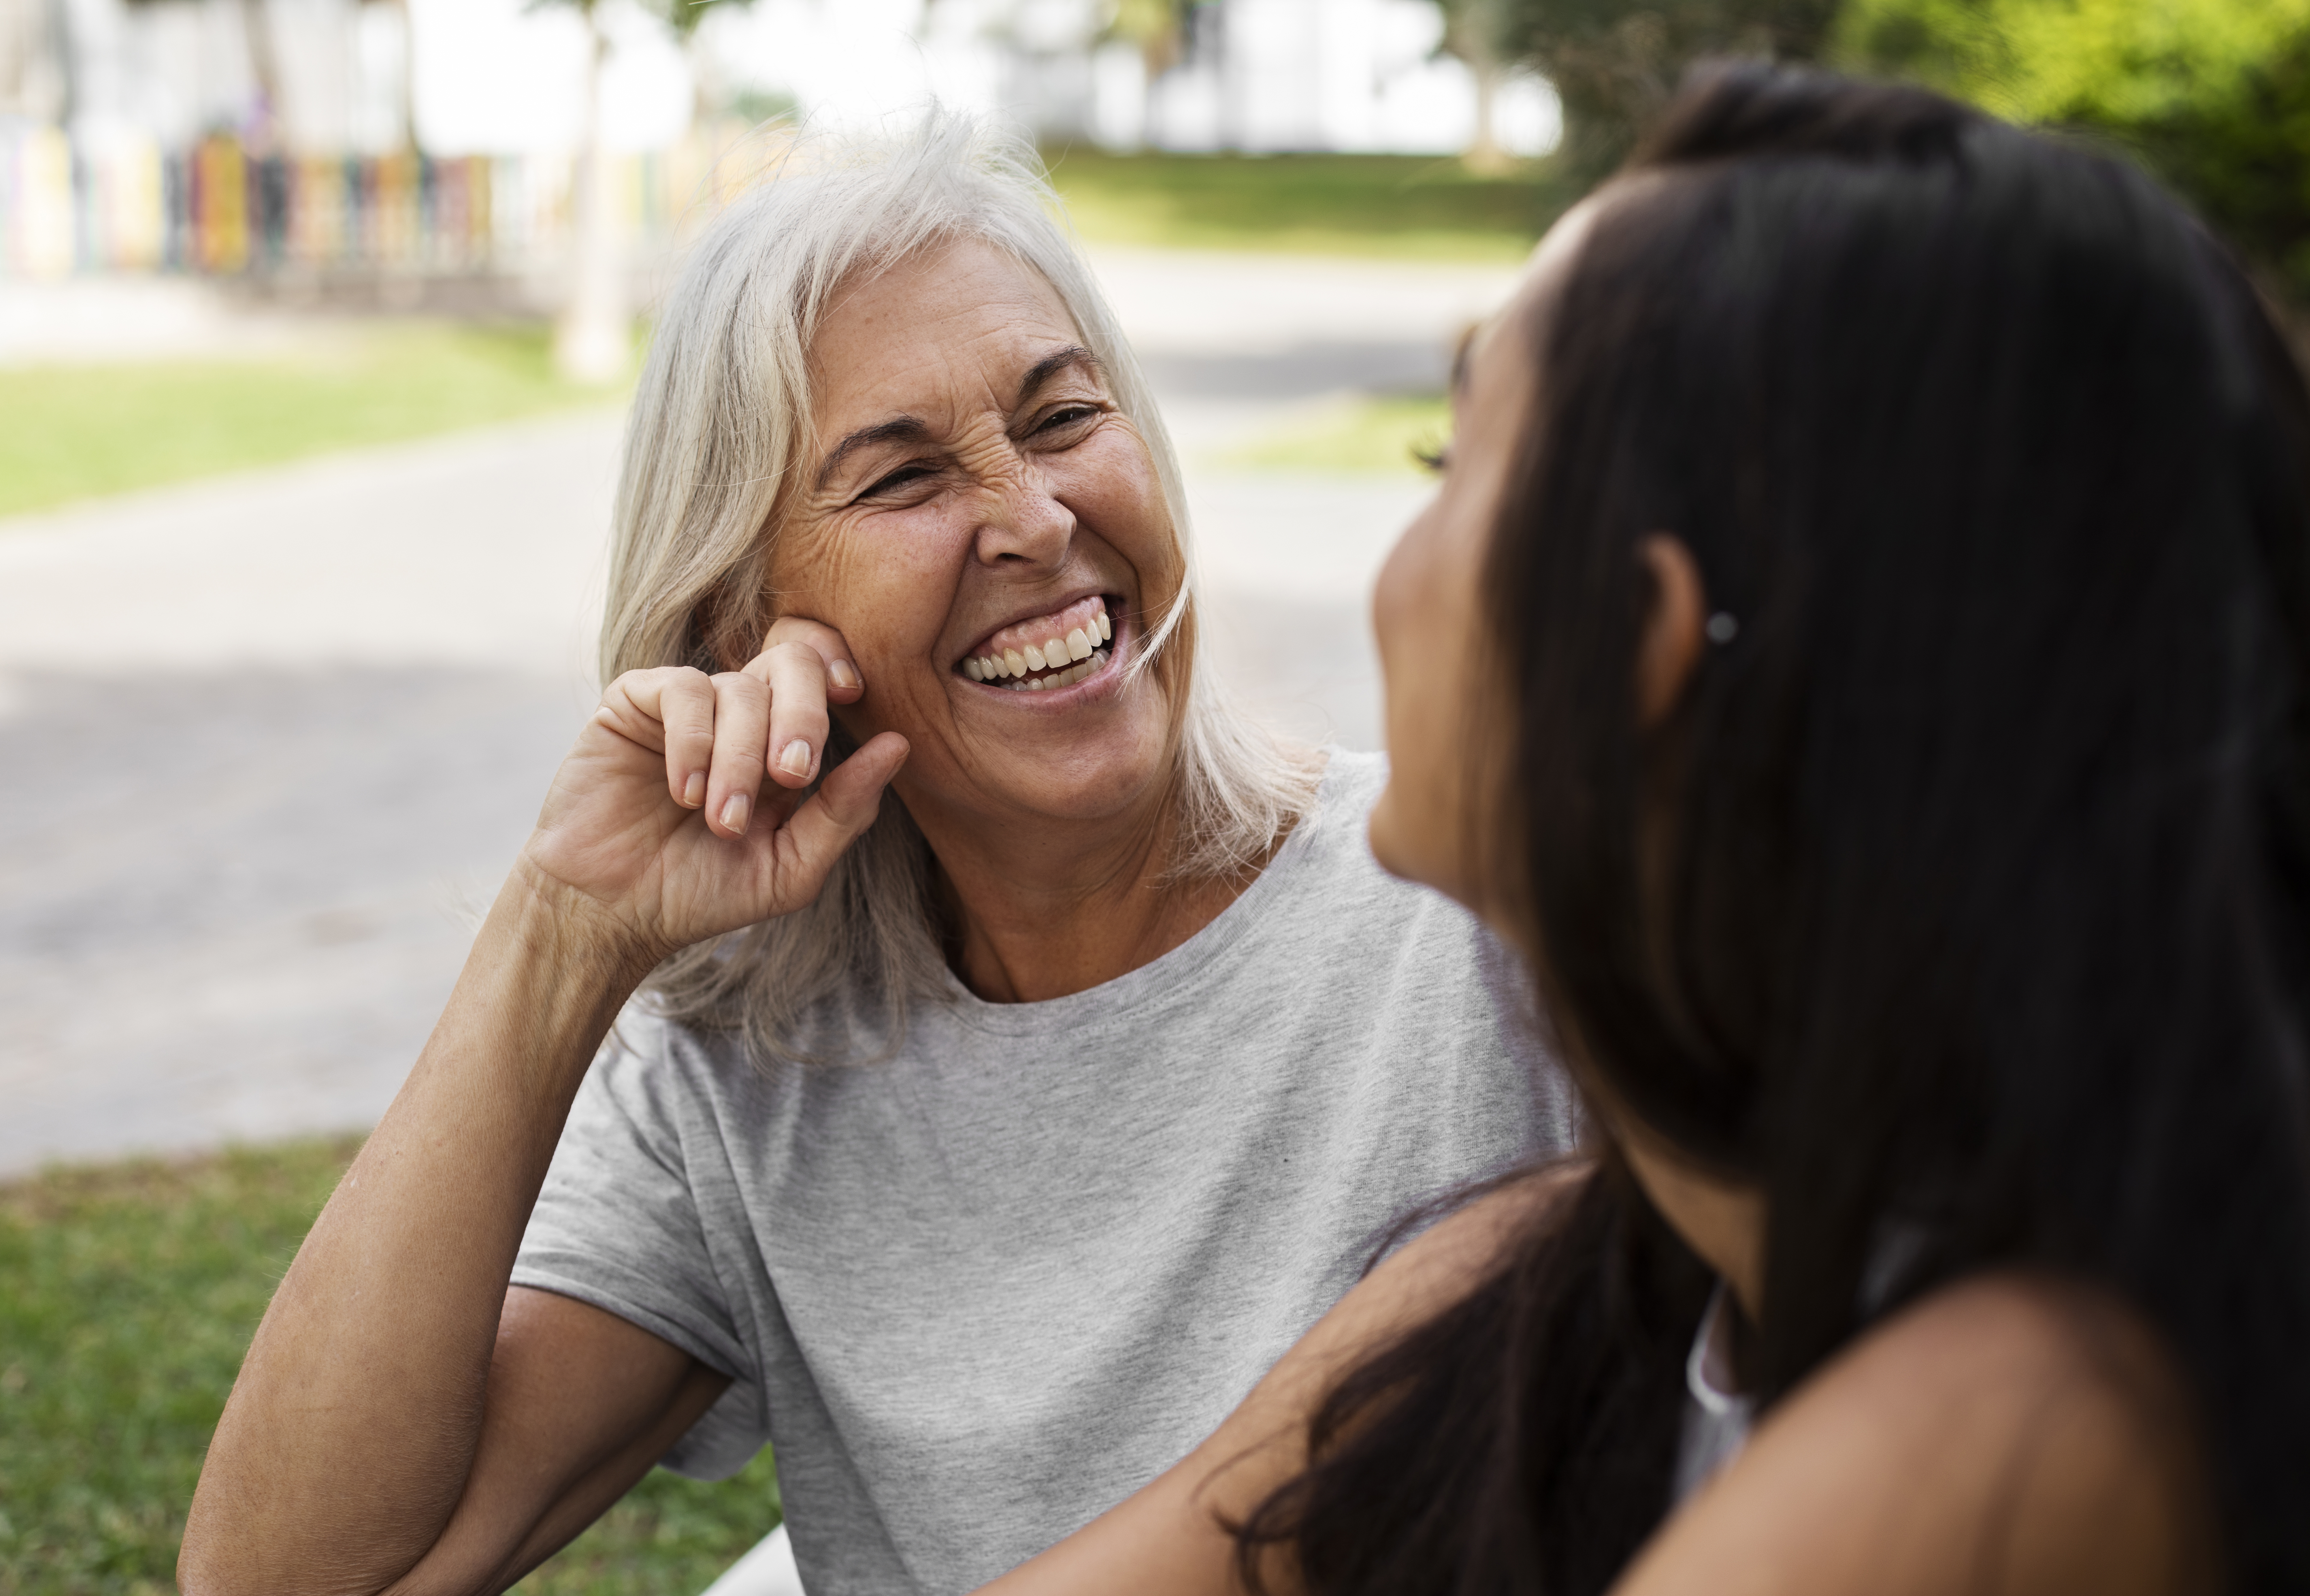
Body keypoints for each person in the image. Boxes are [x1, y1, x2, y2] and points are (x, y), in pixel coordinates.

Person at [174, 119, 1577, 1596]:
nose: (1036, 523)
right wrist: (562, 939)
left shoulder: (1483, 910)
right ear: (744, 630)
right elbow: (286, 1581)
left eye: (1061, 419)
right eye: (905, 480)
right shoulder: (751, 1060)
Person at [973, 63, 2310, 1596]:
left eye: (1449, 466)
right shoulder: (1588, 1283)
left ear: (1632, 645)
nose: (1393, 563)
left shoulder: (2016, 1432)